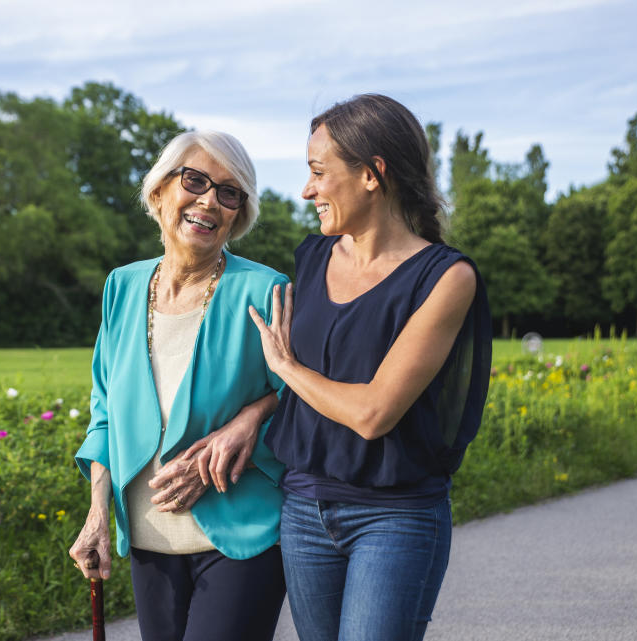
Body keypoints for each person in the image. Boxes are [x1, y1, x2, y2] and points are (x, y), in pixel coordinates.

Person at [249, 94, 492, 641]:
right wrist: (252, 416)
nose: (307, 189)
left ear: (371, 175)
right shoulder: (312, 257)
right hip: (304, 507)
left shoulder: (446, 278)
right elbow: (301, 392)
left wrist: (285, 368)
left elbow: (373, 412)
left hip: (396, 518)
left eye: (318, 172)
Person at [69, 130, 288, 641]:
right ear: (159, 191)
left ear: (238, 213)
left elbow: (302, 398)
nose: (210, 200)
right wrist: (98, 514)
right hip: (149, 541)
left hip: (242, 539)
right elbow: (105, 412)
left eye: (229, 192)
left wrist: (249, 421)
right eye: (195, 180)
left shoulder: (265, 289)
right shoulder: (121, 286)